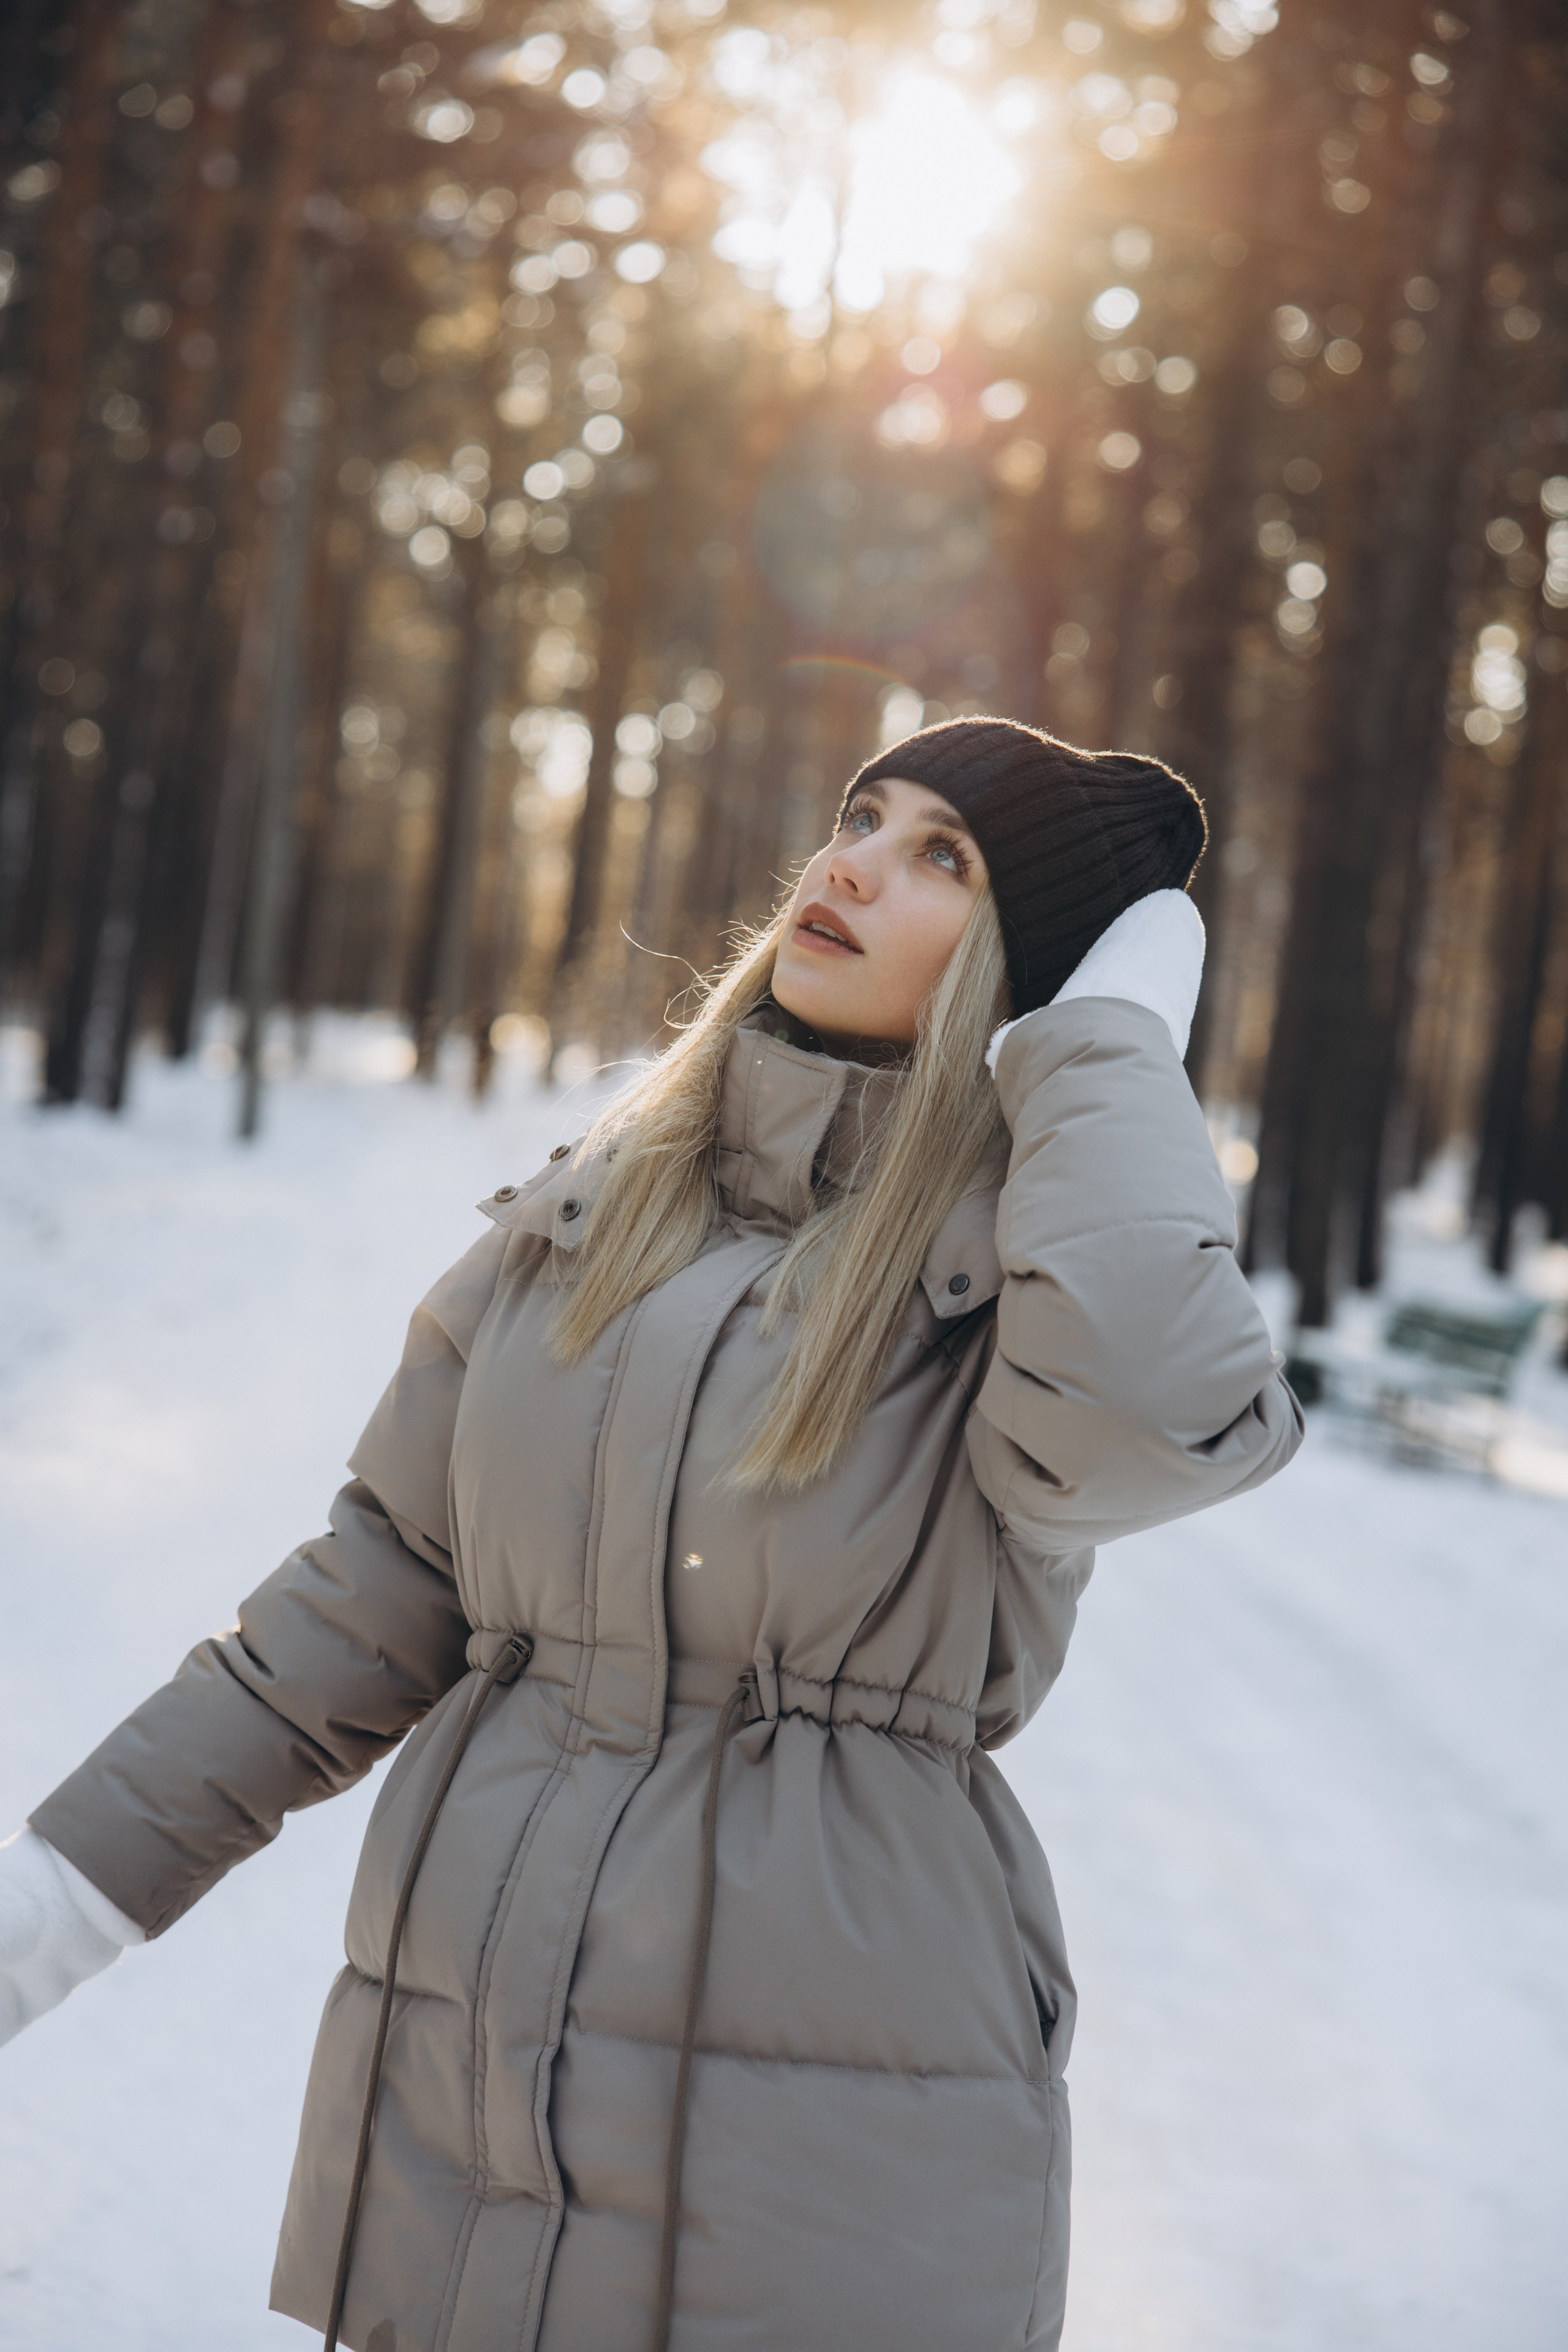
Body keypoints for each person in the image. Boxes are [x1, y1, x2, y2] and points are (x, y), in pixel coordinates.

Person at [0, 718, 1302, 2352]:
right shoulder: (596, 1215)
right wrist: (47, 1902)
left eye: (942, 861)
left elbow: (1150, 1421)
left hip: (823, 2178)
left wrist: (1107, 1038)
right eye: (861, 817)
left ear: (1024, 973)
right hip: (470, 2149)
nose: (849, 865)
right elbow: (355, 1608)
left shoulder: (1012, 1276)